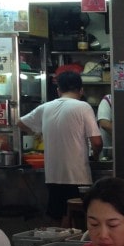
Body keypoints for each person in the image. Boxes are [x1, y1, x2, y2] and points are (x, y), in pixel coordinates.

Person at [18, 70, 103, 226]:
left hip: (53, 175)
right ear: (81, 90)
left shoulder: (45, 108)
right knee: (75, 219)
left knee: (58, 217)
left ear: (58, 90)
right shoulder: (83, 107)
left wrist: (38, 132)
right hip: (77, 175)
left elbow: (20, 122)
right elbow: (96, 142)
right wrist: (95, 155)